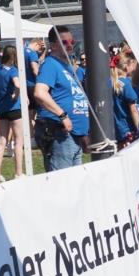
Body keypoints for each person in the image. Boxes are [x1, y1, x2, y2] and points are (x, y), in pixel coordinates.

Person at [33, 26, 90, 171]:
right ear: (52, 45)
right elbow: (40, 92)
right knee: (63, 185)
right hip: (60, 133)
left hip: (73, 135)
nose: (70, 45)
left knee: (75, 185)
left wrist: (83, 131)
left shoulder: (67, 66)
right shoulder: (50, 65)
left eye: (72, 41)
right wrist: (62, 115)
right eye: (64, 42)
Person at [0, 45, 24, 182]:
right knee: (18, 141)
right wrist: (16, 95)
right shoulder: (13, 70)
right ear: (13, 56)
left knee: (2, 141)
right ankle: (18, 173)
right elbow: (17, 84)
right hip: (14, 108)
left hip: (1, 108)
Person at [110, 50, 139, 147]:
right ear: (127, 66)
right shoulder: (126, 84)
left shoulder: (111, 82)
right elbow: (134, 110)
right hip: (129, 130)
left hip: (117, 130)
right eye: (134, 64)